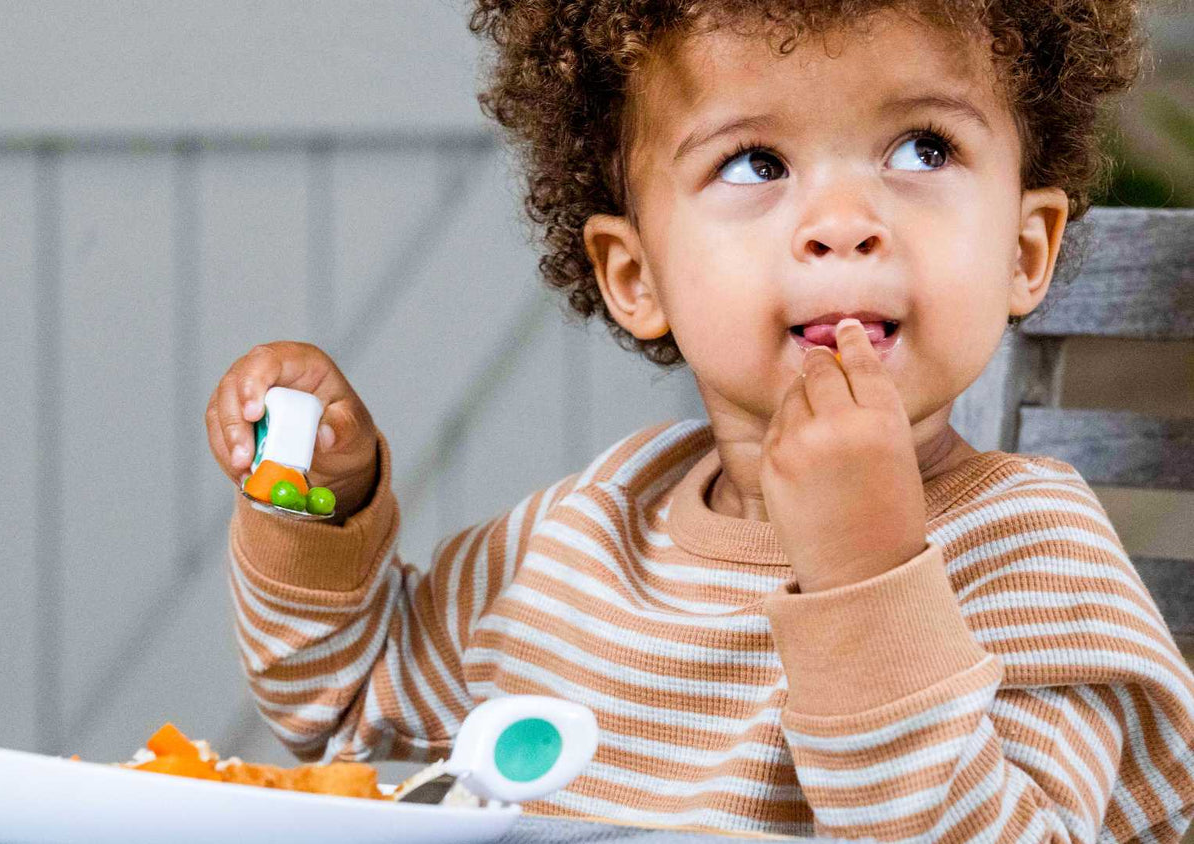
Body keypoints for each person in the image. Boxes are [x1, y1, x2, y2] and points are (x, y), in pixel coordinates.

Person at [204, 2, 1194, 839]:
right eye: (756, 162)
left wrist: (868, 570)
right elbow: (339, 702)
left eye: (922, 147)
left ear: (1028, 251)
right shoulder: (583, 535)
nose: (843, 219)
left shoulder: (1038, 562)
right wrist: (319, 499)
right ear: (636, 278)